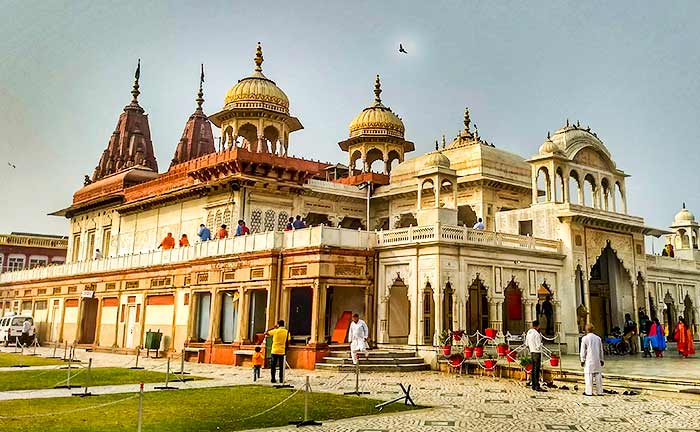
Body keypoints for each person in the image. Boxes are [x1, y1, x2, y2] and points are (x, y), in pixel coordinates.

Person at [580, 323, 605, 396]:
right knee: (598, 376)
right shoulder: (598, 338)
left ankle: (589, 391)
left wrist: (582, 359)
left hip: (589, 360)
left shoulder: (585, 338)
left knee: (588, 376)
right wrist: (601, 359)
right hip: (597, 359)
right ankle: (600, 391)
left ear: (586, 330)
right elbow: (601, 350)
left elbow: (583, 351)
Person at [525, 320, 545, 392]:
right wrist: (541, 346)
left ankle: (533, 384)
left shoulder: (529, 332)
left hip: (532, 351)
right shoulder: (536, 334)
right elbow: (538, 345)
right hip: (537, 352)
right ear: (538, 326)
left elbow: (526, 343)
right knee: (537, 369)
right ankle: (536, 385)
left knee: (533, 369)